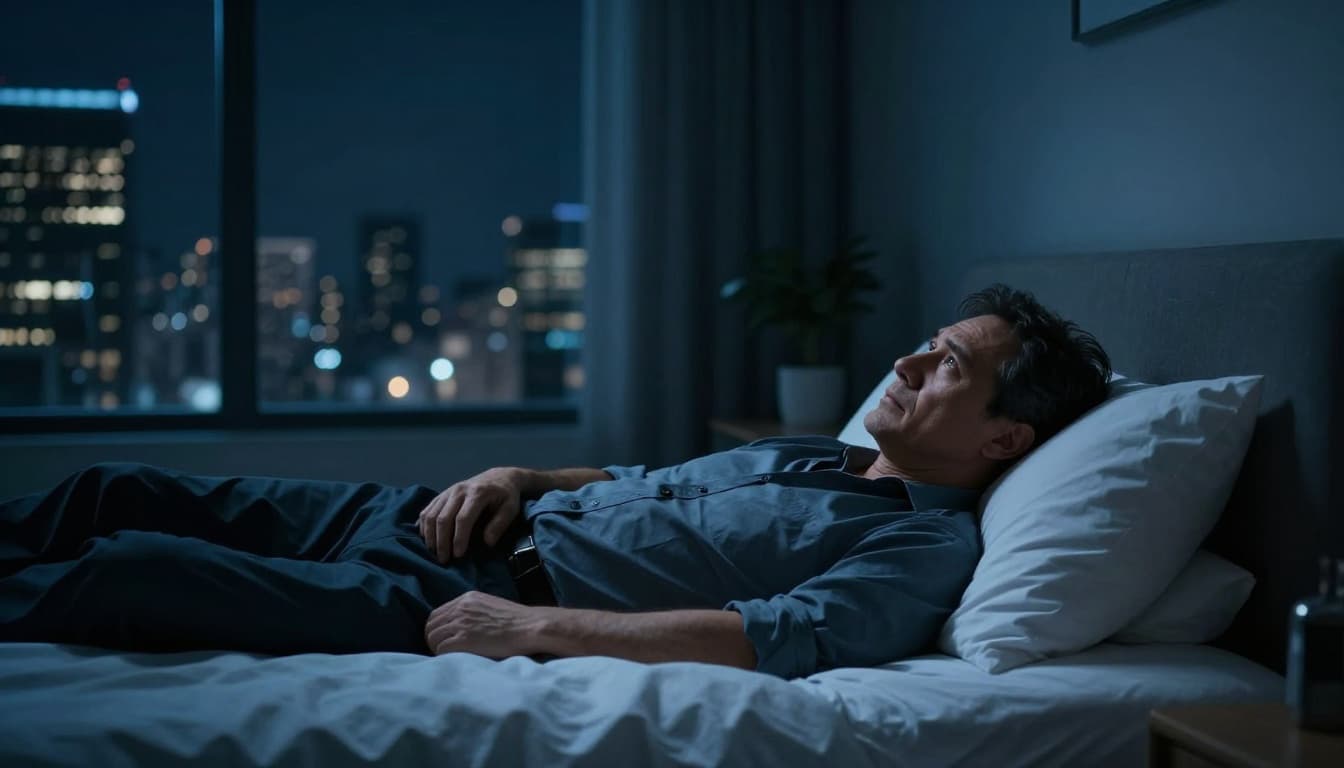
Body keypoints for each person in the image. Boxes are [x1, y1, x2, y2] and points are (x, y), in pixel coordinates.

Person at [0, 284, 1111, 679]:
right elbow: (644, 477)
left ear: (1008, 441)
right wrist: (519, 468)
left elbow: (771, 637)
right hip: (440, 513)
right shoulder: (817, 452)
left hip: (463, 598)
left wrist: (531, 631)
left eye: (949, 365)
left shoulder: (924, 545)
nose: (910, 364)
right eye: (924, 346)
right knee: (111, 486)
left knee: (131, 571)